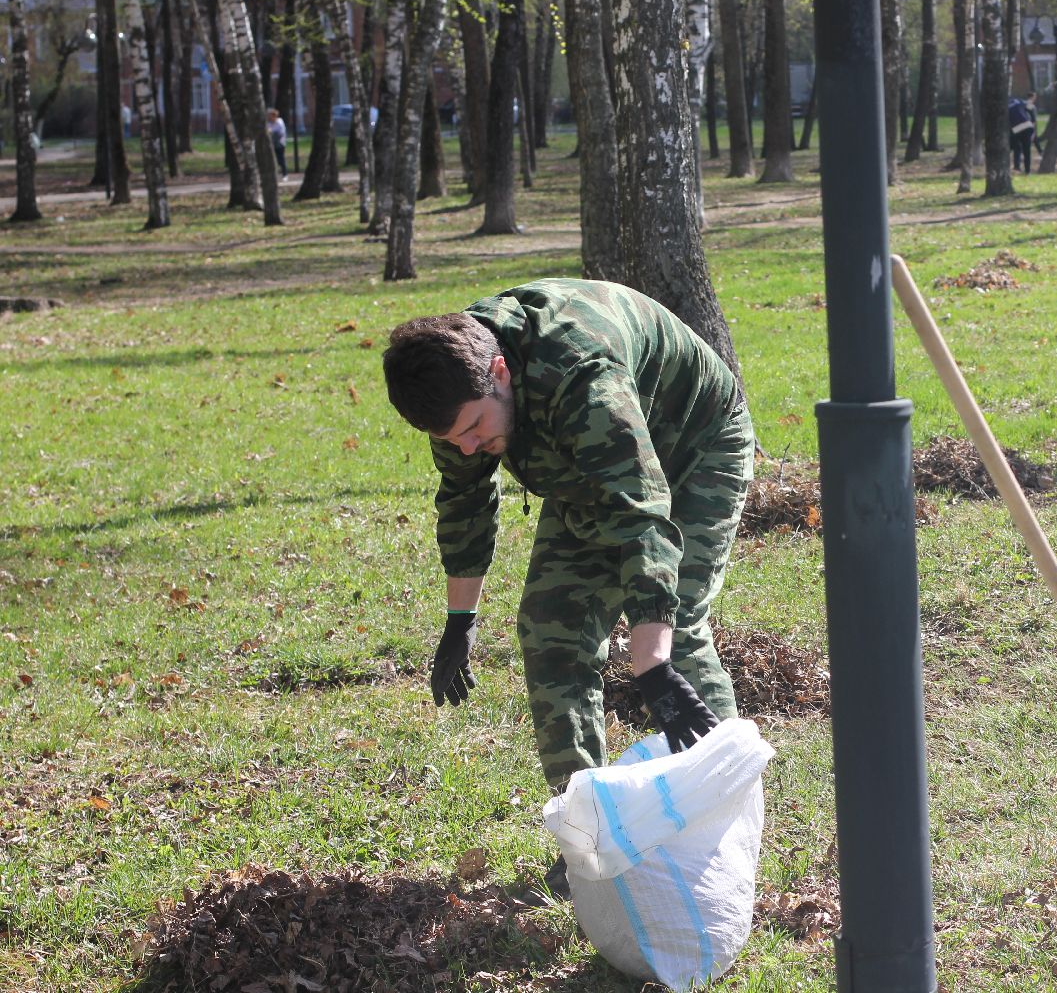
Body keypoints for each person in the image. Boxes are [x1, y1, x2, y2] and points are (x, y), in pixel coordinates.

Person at [381, 279, 755, 893]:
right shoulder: (455, 393)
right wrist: (460, 620)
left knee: (675, 627)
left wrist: (653, 665)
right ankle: (588, 837)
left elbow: (639, 514)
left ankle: (720, 826)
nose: (470, 446)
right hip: (582, 459)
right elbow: (465, 499)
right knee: (551, 630)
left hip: (692, 441)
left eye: (475, 428)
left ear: (500, 371)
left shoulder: (582, 372)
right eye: (454, 440)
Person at [1009, 95, 1037, 174]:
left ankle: (1017, 167)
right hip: (1028, 126)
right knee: (1027, 150)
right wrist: (1033, 121)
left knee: (1016, 148)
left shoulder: (1005, 105)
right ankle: (1027, 170)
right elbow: (1031, 107)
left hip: (1016, 128)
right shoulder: (1019, 101)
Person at [267, 109, 288, 178]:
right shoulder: (269, 123)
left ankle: (285, 174)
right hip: (273, 144)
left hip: (280, 143)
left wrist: (272, 132)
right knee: (273, 159)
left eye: (270, 116)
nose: (269, 117)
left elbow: (281, 132)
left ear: (274, 116)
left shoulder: (279, 122)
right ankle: (275, 175)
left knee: (281, 159)